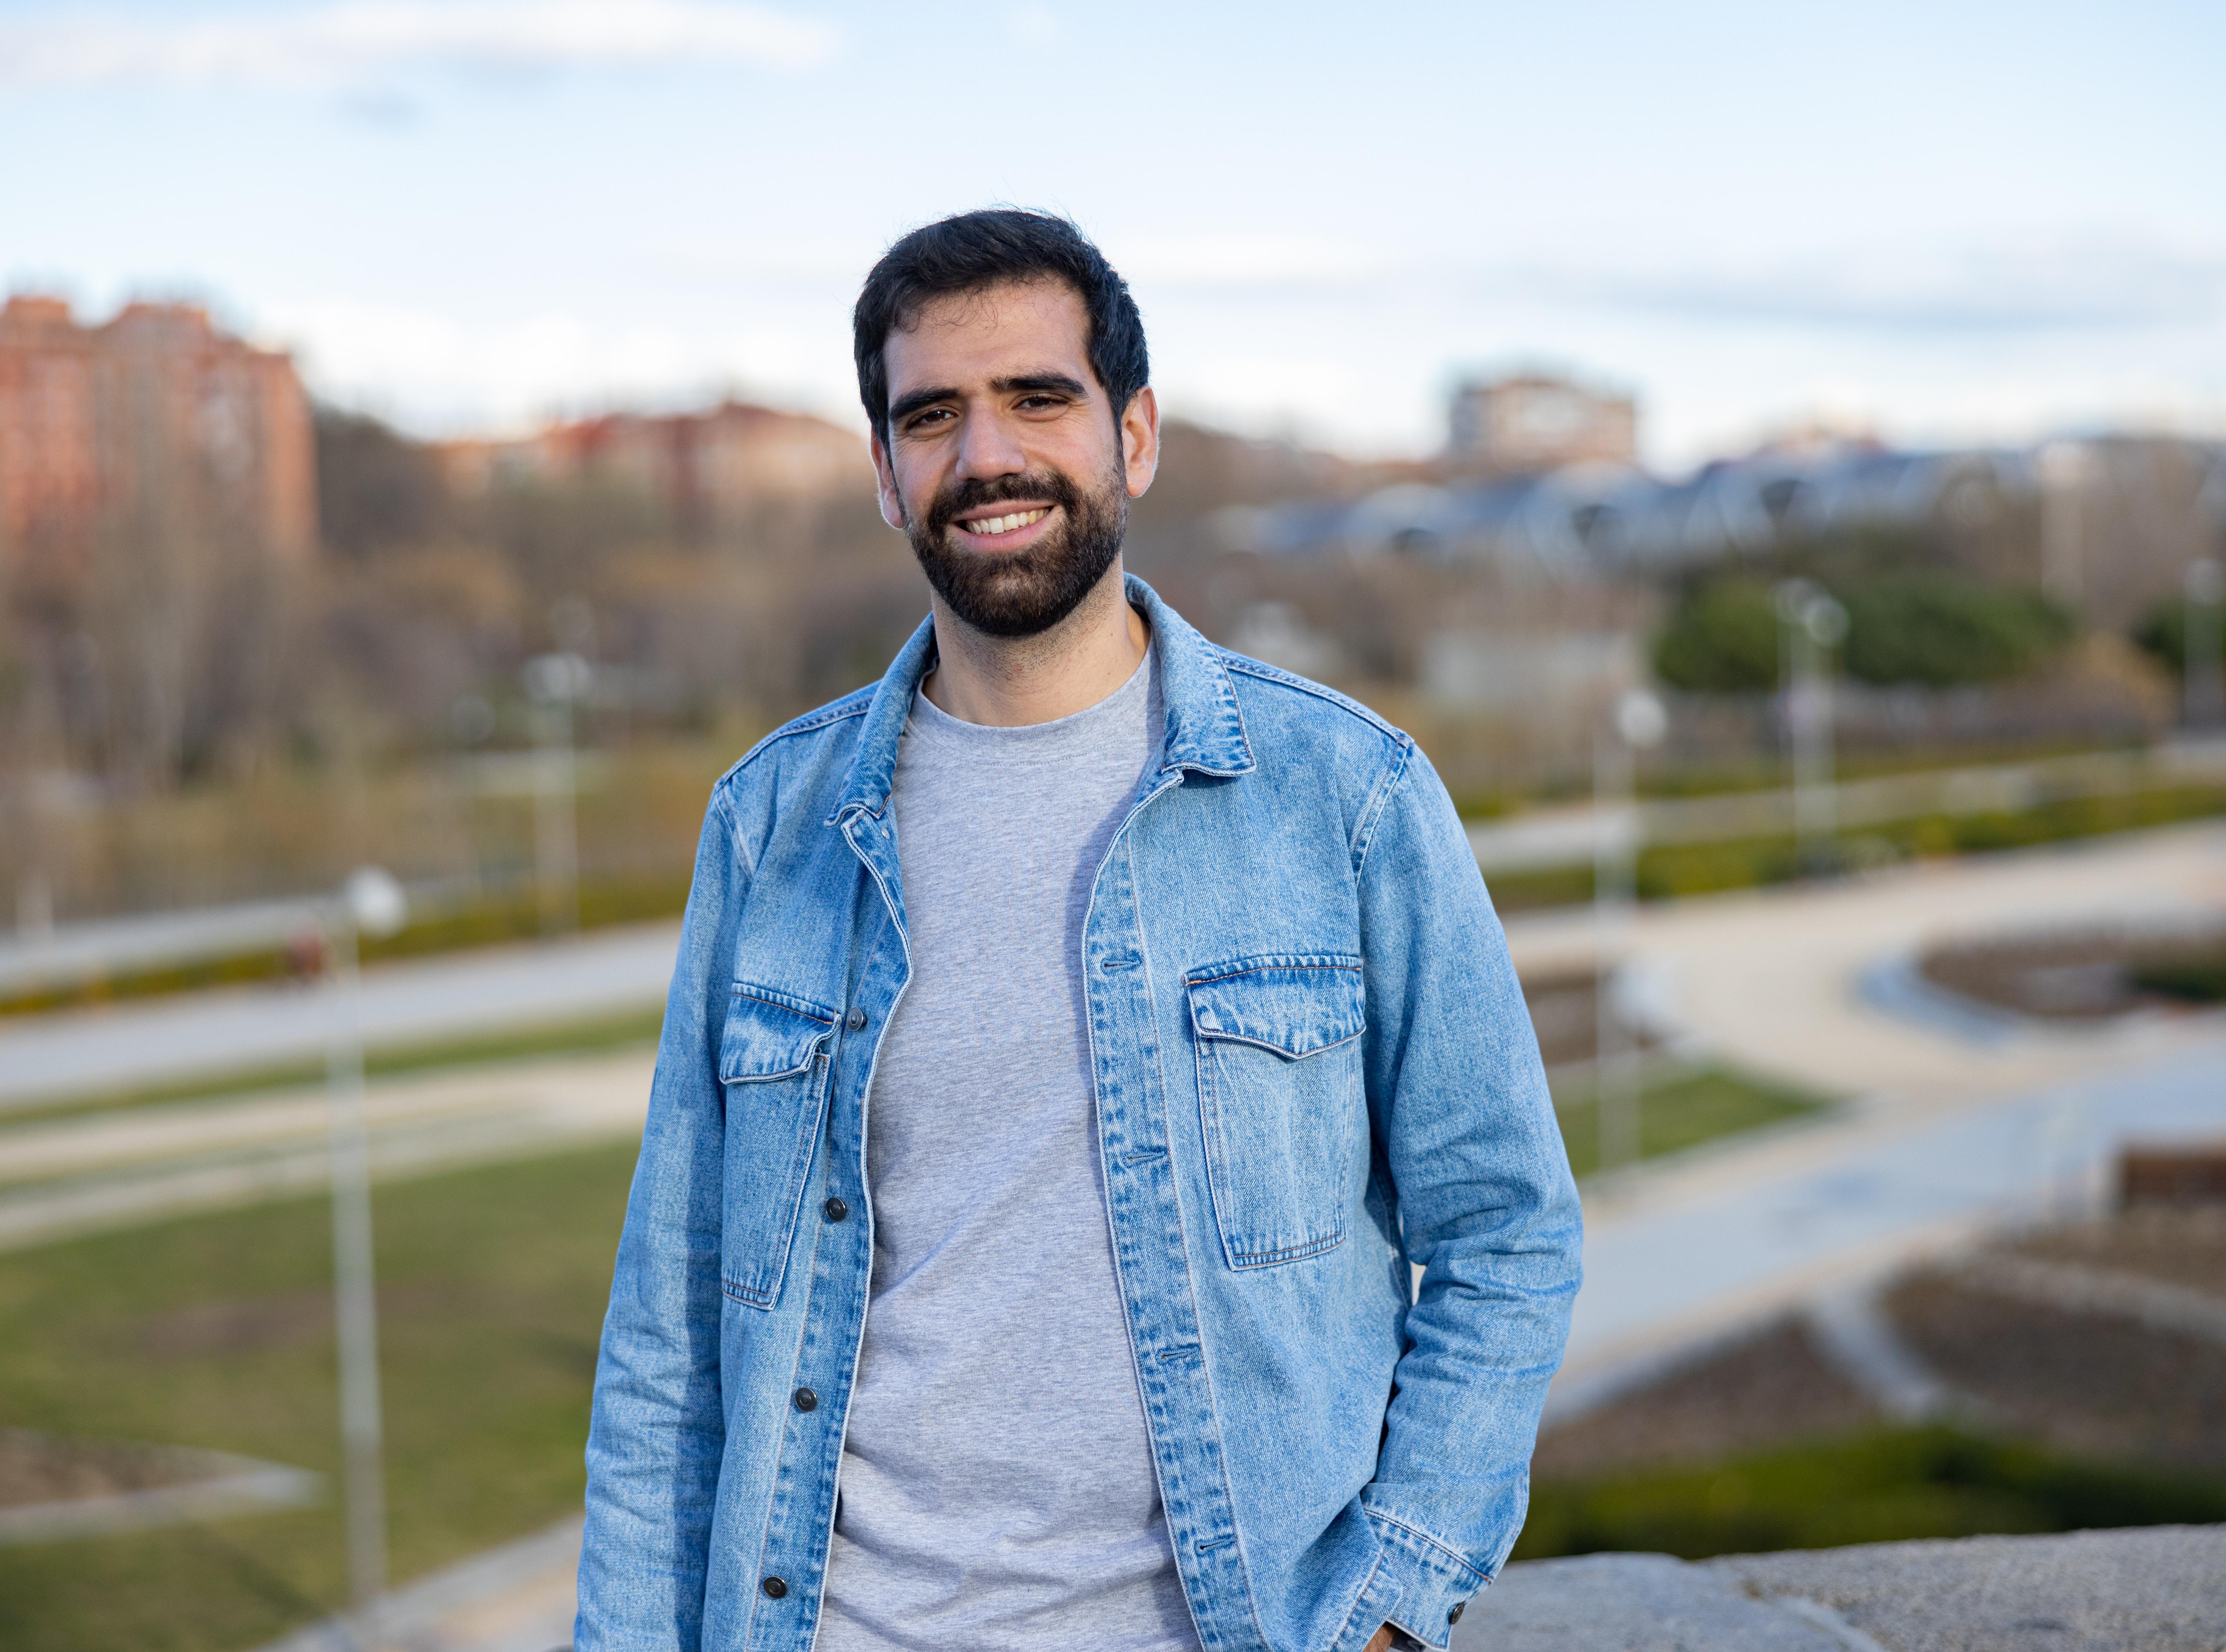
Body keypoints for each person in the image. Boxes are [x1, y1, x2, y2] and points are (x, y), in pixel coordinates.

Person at [576, 209, 1581, 1652]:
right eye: (932, 416)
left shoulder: (1343, 799)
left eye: (1037, 399)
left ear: (1136, 436)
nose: (985, 457)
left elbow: (1505, 1232)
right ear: (884, 473)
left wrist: (1392, 1612)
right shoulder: (771, 829)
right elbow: (672, 1328)